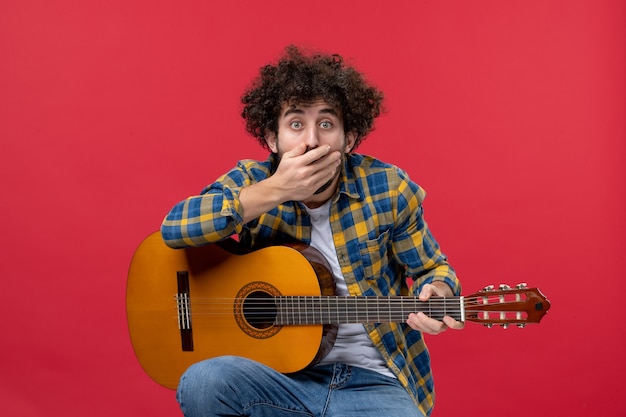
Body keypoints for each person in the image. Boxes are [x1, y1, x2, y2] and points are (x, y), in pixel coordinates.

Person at [160, 45, 463, 417]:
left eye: (325, 124)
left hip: (374, 380)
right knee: (204, 381)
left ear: (347, 140)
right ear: (273, 140)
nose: (312, 141)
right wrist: (278, 190)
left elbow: (435, 270)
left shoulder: (388, 187)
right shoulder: (252, 182)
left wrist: (440, 291)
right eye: (296, 124)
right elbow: (174, 228)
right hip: (278, 376)